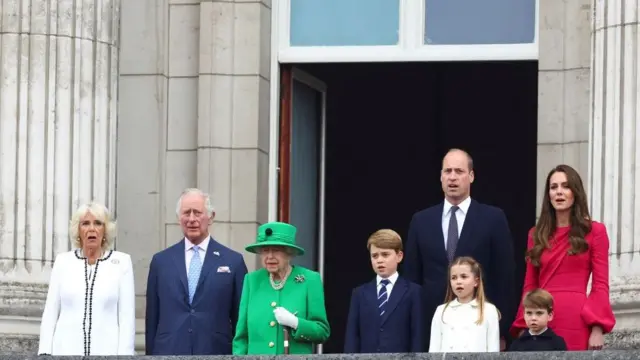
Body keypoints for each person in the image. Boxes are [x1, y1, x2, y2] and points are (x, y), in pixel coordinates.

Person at [404, 148, 515, 350]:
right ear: (440, 176)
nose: (452, 177)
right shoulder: (421, 221)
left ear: (471, 176)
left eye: (459, 171)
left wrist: (501, 329)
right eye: (447, 171)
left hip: (479, 325)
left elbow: (504, 277)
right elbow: (412, 278)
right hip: (432, 326)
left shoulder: (493, 219)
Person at [510, 164, 616, 350]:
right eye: (554, 187)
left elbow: (600, 284)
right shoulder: (535, 235)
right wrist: (522, 323)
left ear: (575, 192)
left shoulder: (595, 231)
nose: (559, 192)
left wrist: (597, 327)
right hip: (542, 318)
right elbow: (530, 284)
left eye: (565, 186)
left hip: (577, 320)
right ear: (548, 194)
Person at [145, 188, 248, 355]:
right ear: (179, 218)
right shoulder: (161, 262)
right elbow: (152, 319)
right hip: (169, 351)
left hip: (216, 352)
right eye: (186, 213)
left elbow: (240, 320)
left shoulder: (233, 261)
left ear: (211, 217)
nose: (191, 219)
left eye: (197, 212)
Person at [38, 202, 135, 356]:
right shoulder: (63, 262)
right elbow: (51, 311)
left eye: (98, 223)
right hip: (65, 352)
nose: (92, 229)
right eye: (85, 223)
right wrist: (44, 353)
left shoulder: (122, 263)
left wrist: (125, 356)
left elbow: (126, 318)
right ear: (78, 230)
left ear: (105, 230)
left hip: (107, 353)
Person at [232, 222, 330, 355]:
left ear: (289, 254)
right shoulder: (252, 281)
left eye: (276, 250)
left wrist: (296, 323)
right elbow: (241, 337)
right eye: (265, 250)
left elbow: (322, 331)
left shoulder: (309, 280)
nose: (270, 256)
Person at [344, 229, 423, 353]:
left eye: (385, 254)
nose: (379, 260)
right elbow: (352, 336)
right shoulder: (359, 293)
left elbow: (417, 336)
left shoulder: (413, 291)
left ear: (399, 256)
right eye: (374, 256)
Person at [429, 256, 500, 352]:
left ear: (476, 281)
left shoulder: (488, 310)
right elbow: (434, 350)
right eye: (454, 278)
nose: (458, 282)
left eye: (464, 277)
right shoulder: (441, 311)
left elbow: (493, 349)